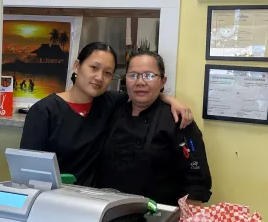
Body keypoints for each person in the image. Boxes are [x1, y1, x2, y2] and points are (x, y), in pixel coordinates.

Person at [20, 42, 193, 186]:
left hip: (95, 202)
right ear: (77, 66)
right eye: (93, 67)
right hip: (53, 201)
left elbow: (141, 92)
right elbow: (26, 171)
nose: (99, 77)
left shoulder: (108, 103)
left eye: (107, 73)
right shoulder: (45, 111)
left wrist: (170, 99)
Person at [95, 51, 211, 206]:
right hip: (106, 209)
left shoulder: (176, 119)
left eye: (149, 76)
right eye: (133, 75)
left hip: (157, 216)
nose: (140, 82)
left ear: (162, 81)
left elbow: (196, 180)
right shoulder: (112, 109)